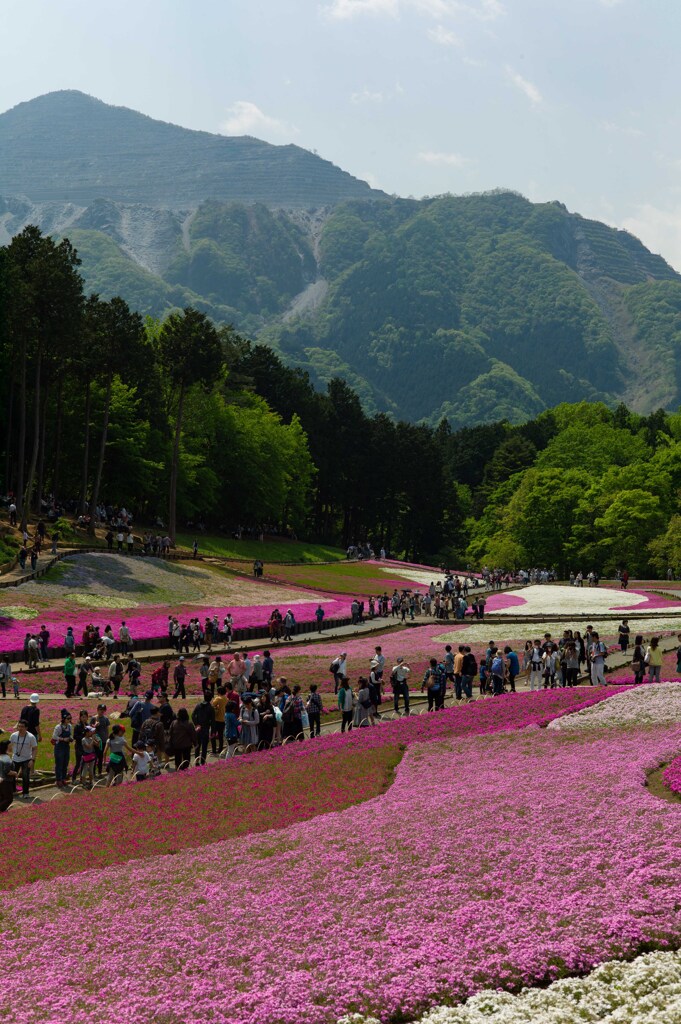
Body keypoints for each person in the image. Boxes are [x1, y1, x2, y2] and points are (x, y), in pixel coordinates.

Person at [9, 719, 38, 798]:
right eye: (19, 726)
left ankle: (25, 793)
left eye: (22, 727)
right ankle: (13, 791)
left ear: (26, 728)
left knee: (25, 776)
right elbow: (9, 746)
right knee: (12, 776)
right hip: (15, 759)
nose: (20, 728)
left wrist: (32, 760)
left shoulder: (31, 737)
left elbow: (35, 748)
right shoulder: (13, 735)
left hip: (26, 759)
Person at [191, 692, 215, 764]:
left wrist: (196, 724)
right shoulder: (210, 708)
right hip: (205, 729)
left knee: (197, 746)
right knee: (204, 747)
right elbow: (213, 721)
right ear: (211, 699)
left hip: (198, 729)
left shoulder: (198, 705)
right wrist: (213, 731)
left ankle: (196, 761)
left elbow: (192, 715)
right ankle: (203, 761)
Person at [52, 710, 73, 787]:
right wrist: (63, 739)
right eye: (68, 718)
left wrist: (70, 738)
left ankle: (63, 778)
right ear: (64, 719)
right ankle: (58, 779)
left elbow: (71, 735)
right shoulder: (58, 727)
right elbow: (54, 736)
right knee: (59, 764)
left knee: (65, 763)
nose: (69, 720)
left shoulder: (70, 726)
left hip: (66, 747)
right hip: (59, 747)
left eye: (70, 718)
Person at [211, 686, 228, 755]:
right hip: (223, 719)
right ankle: (220, 749)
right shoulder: (226, 698)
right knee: (221, 735)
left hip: (216, 719)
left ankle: (214, 750)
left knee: (213, 735)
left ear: (219, 692)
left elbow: (212, 704)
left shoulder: (218, 698)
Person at [0, 741, 15, 812]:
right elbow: (7, 771)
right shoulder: (6, 758)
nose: (12, 747)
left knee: (2, 797)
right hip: (6, 781)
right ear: (7, 747)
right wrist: (15, 773)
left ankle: (3, 810)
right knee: (9, 798)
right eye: (11, 746)